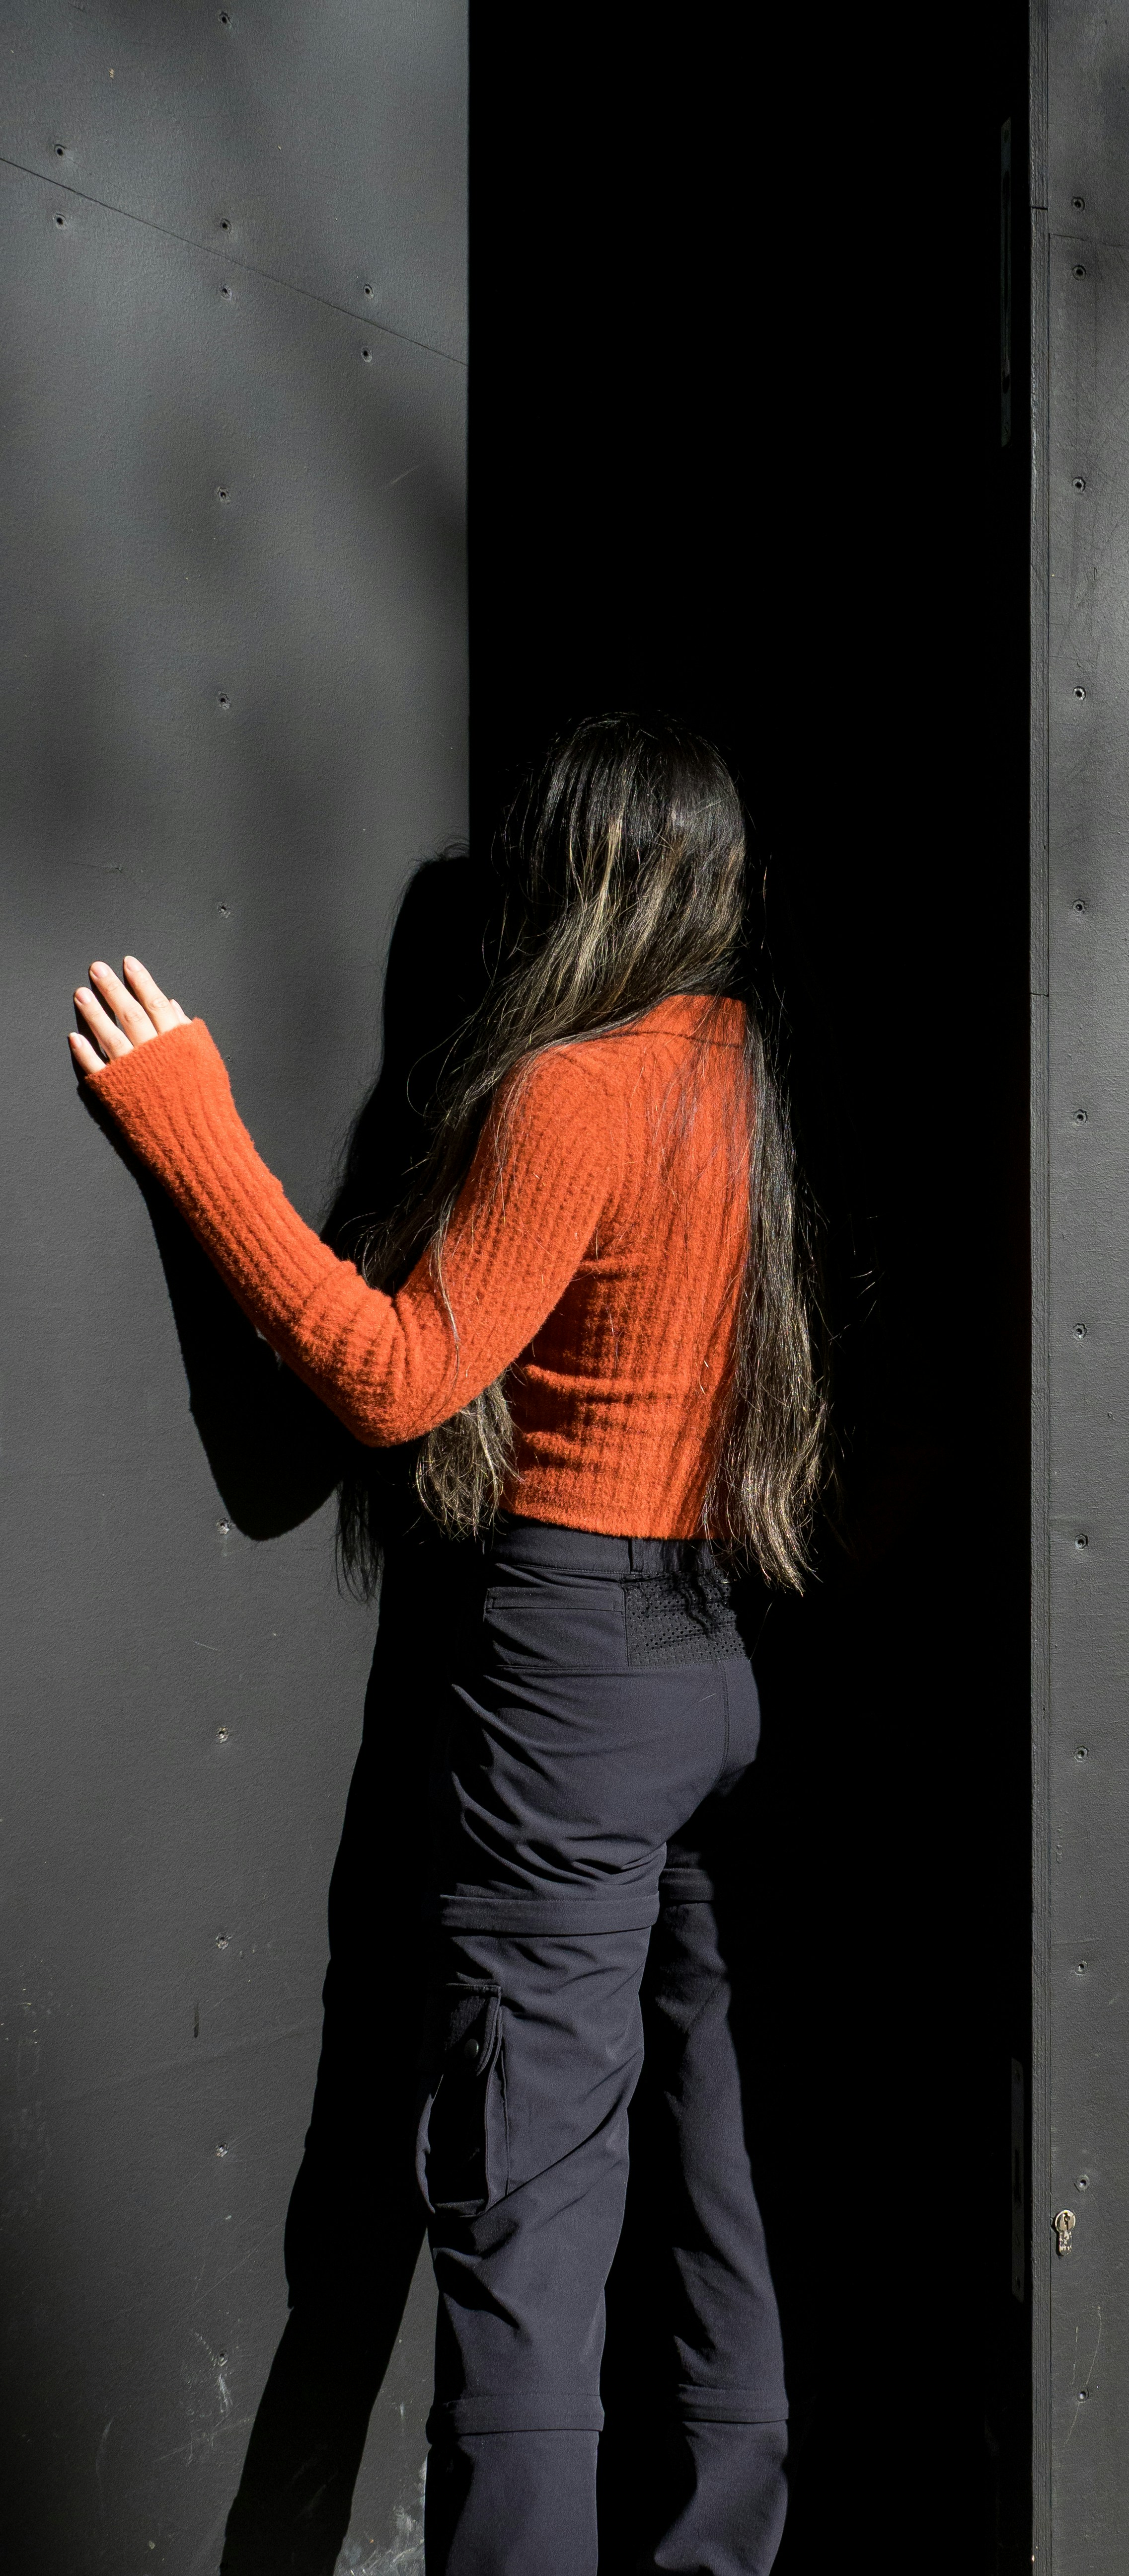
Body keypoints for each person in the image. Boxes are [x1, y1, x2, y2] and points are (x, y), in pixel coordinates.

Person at [68, 711, 821, 2576]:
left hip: (568, 1674)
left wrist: (188, 1131)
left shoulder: (572, 1092)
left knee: (527, 2219)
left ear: (573, 872)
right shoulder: (729, 1065)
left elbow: (404, 1380)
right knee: (714, 2172)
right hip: (709, 1657)